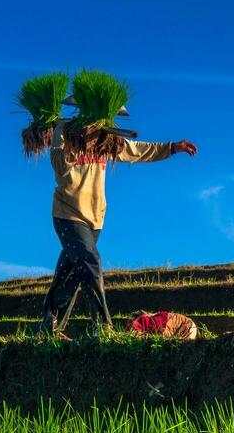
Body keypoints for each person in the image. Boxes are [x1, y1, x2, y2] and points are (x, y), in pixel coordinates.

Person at [42, 96, 197, 336]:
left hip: (95, 219)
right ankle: (102, 327)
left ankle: (48, 328)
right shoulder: (64, 134)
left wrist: (173, 147)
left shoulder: (107, 142)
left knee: (70, 275)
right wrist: (68, 134)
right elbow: (61, 169)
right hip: (68, 215)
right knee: (91, 262)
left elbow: (138, 150)